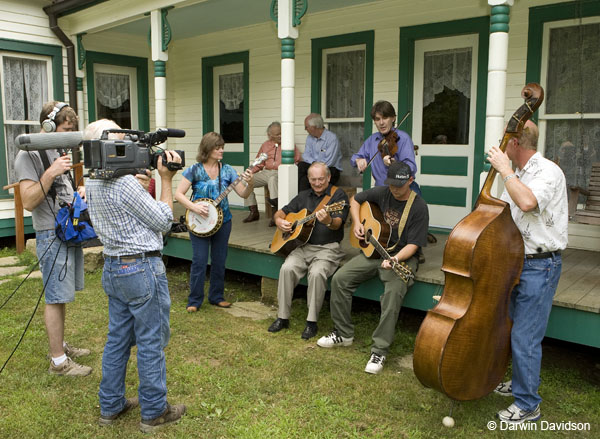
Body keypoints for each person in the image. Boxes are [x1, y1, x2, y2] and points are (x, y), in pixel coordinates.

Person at [83, 119, 186, 432]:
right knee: (150, 341)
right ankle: (154, 411)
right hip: (141, 268)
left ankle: (110, 404)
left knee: (117, 340)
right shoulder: (124, 183)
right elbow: (164, 220)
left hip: (114, 266)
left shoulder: (92, 178)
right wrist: (166, 179)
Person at [487, 120, 568, 424]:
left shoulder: (546, 171)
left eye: (506, 140)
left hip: (540, 264)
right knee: (513, 328)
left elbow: (528, 202)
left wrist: (504, 170)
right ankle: (521, 385)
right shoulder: (520, 174)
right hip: (517, 263)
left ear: (515, 143)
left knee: (526, 336)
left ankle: (528, 406)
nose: (503, 145)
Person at [317, 161, 429, 374]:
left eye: (400, 185)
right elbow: (355, 200)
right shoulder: (383, 192)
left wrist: (395, 259)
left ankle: (379, 349)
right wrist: (358, 222)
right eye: (392, 185)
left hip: (402, 257)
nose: (395, 189)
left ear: (411, 181)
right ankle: (343, 333)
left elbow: (414, 245)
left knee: (393, 292)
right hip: (373, 251)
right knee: (340, 279)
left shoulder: (419, 207)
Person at [14, 101, 91, 377]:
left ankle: (60, 346)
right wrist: (51, 172)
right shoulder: (28, 155)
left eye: (72, 131)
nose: (68, 135)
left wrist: (77, 190)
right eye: (64, 129)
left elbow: (61, 190)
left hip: (68, 231)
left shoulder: (58, 151)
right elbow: (29, 201)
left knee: (63, 295)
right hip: (50, 234)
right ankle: (58, 362)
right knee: (54, 298)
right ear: (47, 127)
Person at [268, 162, 349, 339]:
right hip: (302, 246)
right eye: (313, 179)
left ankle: (311, 322)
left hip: (328, 248)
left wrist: (328, 219)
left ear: (328, 177)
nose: (318, 183)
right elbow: (281, 212)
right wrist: (279, 221)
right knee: (287, 268)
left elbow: (338, 224)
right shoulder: (303, 196)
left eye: (321, 179)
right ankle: (282, 317)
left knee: (317, 273)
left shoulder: (338, 196)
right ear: (309, 179)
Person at [175, 132, 254, 312]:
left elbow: (243, 193)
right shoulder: (194, 170)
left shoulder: (227, 170)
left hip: (223, 221)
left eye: (222, 147)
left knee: (219, 260)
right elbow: (178, 194)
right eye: (217, 148)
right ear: (207, 149)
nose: (221, 151)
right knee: (199, 261)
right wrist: (194, 208)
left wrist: (250, 182)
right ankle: (194, 300)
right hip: (198, 222)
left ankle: (216, 296)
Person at [242, 121, 301, 225]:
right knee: (245, 181)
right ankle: (253, 211)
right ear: (270, 135)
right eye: (277, 134)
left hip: (280, 173)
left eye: (281, 133)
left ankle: (275, 213)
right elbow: (259, 163)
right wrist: (248, 172)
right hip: (267, 172)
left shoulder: (289, 144)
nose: (281, 136)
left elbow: (297, 161)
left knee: (272, 179)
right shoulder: (265, 145)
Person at [351, 100, 417, 188]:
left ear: (393, 118)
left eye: (385, 118)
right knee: (355, 200)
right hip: (380, 189)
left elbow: (411, 168)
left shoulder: (403, 138)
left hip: (401, 189)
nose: (381, 123)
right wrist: (358, 160)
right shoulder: (372, 140)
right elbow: (354, 158)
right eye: (377, 119)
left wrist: (394, 164)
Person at [298, 113, 343, 191]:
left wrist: (315, 167)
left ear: (314, 127)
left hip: (330, 170)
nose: (305, 129)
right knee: (300, 166)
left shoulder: (331, 138)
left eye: (306, 127)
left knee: (305, 181)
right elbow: (306, 155)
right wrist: (314, 164)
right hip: (314, 166)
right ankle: (288, 195)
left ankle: (300, 201)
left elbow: (329, 161)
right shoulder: (310, 138)